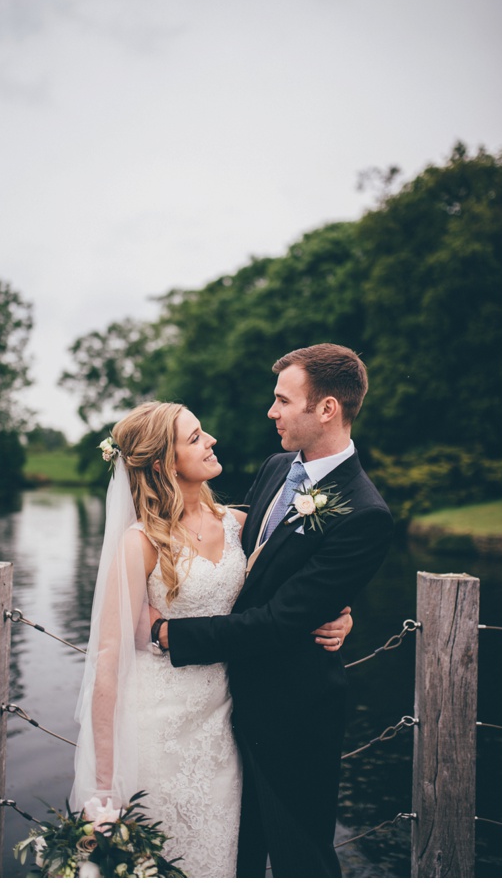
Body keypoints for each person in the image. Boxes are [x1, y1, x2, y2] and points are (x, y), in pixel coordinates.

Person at [71, 400, 353, 877]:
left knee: (218, 858)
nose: (211, 441)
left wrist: (342, 617)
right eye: (196, 437)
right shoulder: (140, 542)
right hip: (157, 726)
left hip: (224, 724)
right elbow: (107, 660)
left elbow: (294, 598)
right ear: (163, 462)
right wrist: (104, 784)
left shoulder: (241, 525)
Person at [156, 344, 393, 876]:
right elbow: (240, 546)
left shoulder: (365, 514)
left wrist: (171, 635)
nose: (272, 411)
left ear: (327, 408)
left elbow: (281, 621)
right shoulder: (276, 467)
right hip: (218, 706)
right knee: (232, 850)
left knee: (299, 855)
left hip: (292, 714)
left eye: (284, 400)